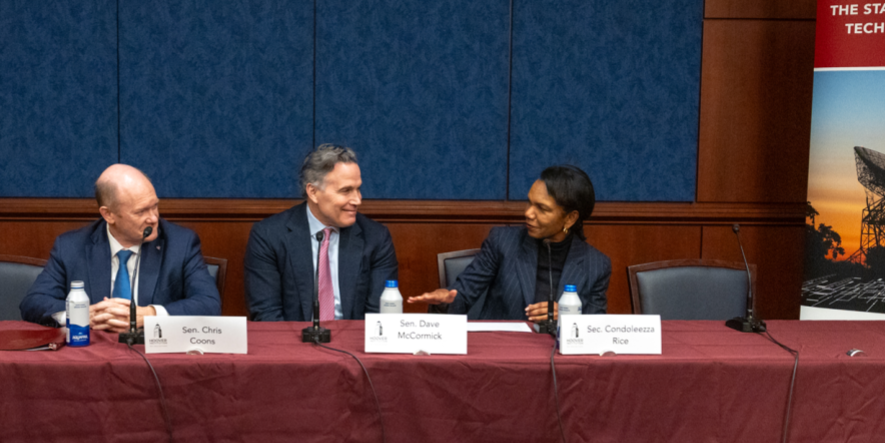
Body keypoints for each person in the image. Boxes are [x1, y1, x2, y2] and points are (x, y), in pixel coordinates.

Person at [20, 164, 220, 330]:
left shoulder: (181, 243)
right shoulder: (71, 247)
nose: (153, 218)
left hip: (152, 354)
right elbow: (33, 302)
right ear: (108, 215)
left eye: (155, 206)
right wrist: (81, 314)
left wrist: (150, 314)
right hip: (92, 353)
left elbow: (209, 303)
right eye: (141, 212)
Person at [407, 165, 611, 319]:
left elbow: (596, 329)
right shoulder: (503, 242)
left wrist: (569, 317)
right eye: (529, 202)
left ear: (570, 218)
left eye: (542, 208)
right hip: (502, 353)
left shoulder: (596, 265)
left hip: (560, 359)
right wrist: (444, 301)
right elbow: (462, 293)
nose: (528, 213)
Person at [245, 144, 398, 321]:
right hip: (292, 337)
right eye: (346, 190)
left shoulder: (376, 238)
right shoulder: (269, 235)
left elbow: (379, 317)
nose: (357, 200)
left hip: (354, 338)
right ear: (313, 192)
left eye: (358, 189)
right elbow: (267, 314)